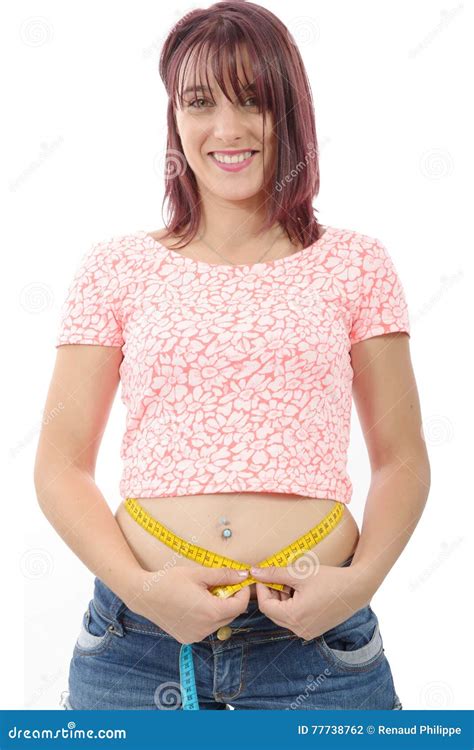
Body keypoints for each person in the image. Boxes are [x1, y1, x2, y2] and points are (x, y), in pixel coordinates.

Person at [34, 0, 430, 711]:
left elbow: (402, 458)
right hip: (138, 645)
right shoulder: (113, 268)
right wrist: (144, 590)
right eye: (199, 102)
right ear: (174, 121)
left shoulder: (357, 264)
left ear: (291, 111)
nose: (228, 128)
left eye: (253, 100)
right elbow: (59, 465)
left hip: (316, 649)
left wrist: (362, 579)